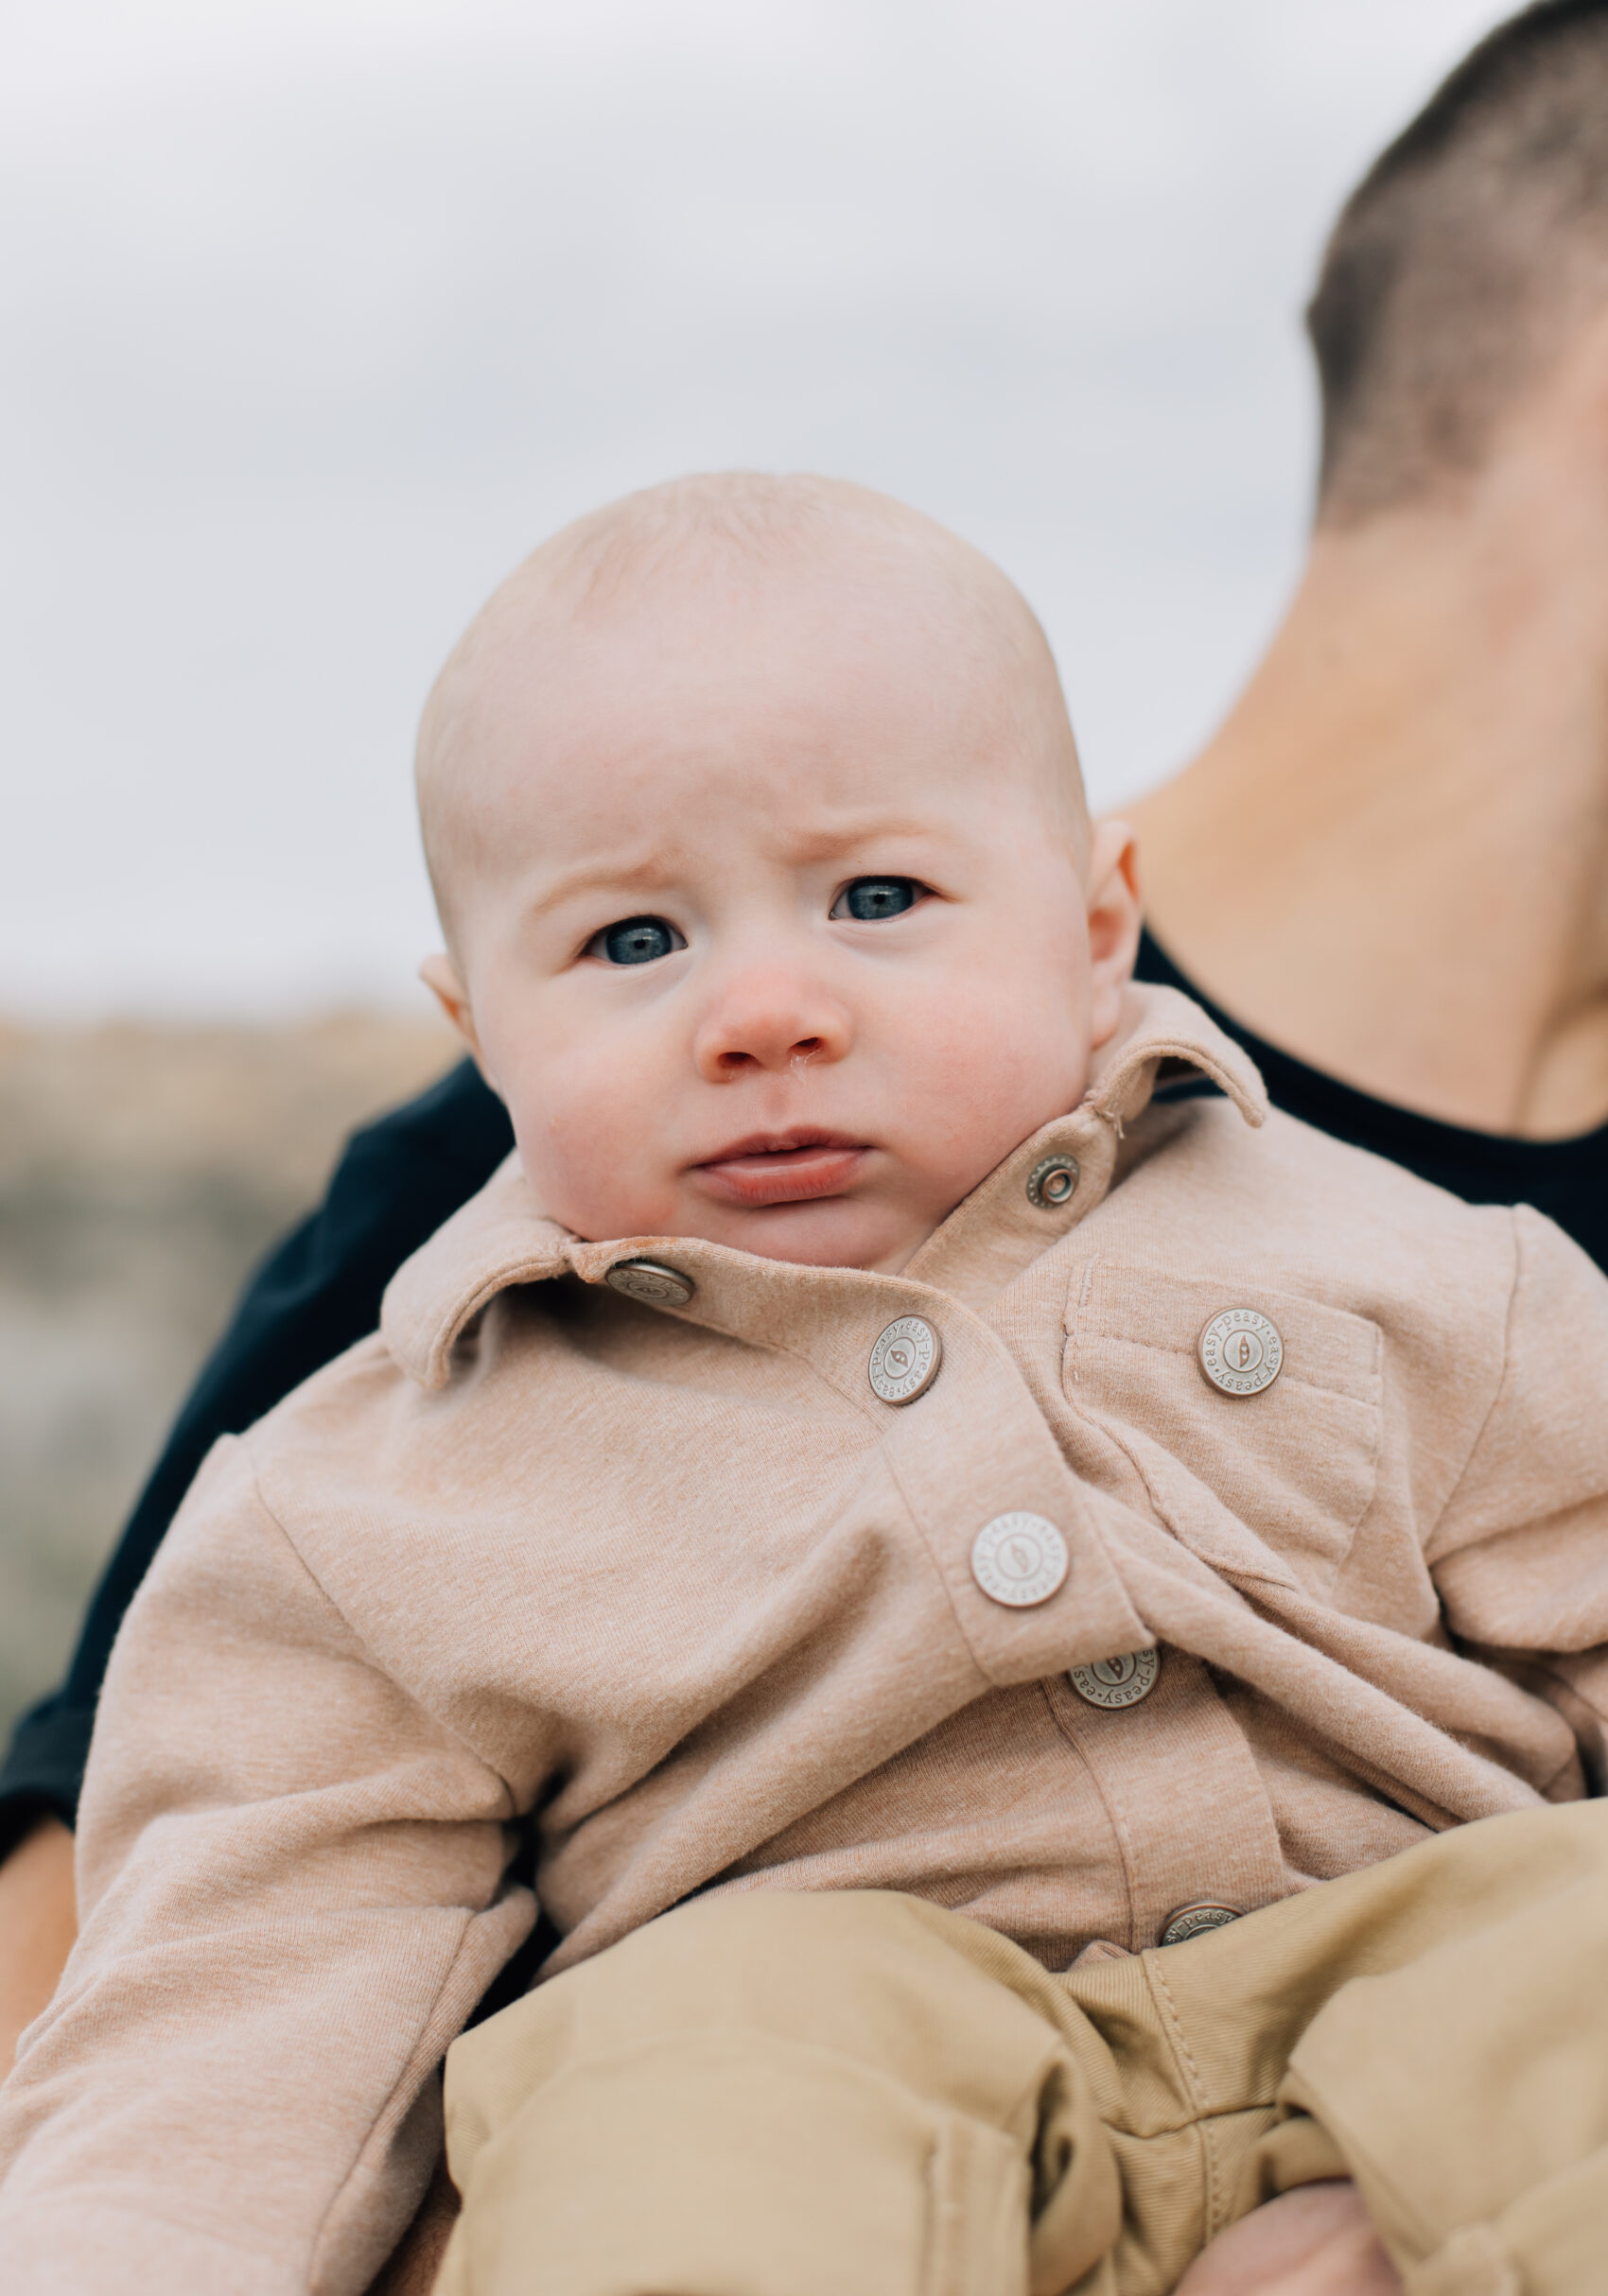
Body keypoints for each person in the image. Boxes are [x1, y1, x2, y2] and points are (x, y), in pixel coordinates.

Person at [4, 469, 1608, 2296]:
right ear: (480, 1035)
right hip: (844, 2062)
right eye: (633, 943)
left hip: (1423, 1987)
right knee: (660, 2068)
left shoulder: (1420, 1270)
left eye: (876, 894)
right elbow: (243, 1993)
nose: (766, 1009)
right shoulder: (369, 1506)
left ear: (1096, 936)